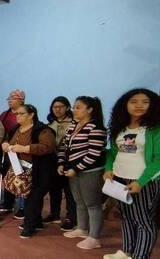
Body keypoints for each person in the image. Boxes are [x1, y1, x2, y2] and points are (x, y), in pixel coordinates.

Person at [103, 89, 160, 259]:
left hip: (144, 181)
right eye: (134, 101)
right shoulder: (120, 128)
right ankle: (127, 252)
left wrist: (141, 181)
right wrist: (108, 169)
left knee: (144, 221)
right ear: (125, 104)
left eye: (145, 102)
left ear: (153, 105)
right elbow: (113, 154)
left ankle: (140, 255)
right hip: (119, 180)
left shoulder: (158, 127)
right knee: (127, 218)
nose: (139, 105)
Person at [57, 96, 107, 249]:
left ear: (90, 110)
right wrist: (61, 163)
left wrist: (76, 168)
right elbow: (64, 147)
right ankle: (82, 229)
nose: (74, 110)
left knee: (92, 203)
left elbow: (94, 153)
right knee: (79, 202)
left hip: (90, 171)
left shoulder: (96, 127)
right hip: (72, 171)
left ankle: (94, 237)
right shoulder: (74, 125)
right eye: (74, 106)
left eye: (78, 107)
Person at [1, 104, 56, 239]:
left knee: (33, 198)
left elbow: (48, 147)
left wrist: (25, 149)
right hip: (20, 169)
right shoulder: (16, 129)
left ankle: (29, 226)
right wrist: (5, 144)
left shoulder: (42, 130)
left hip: (39, 170)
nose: (17, 116)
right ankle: (36, 222)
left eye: (21, 114)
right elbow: (8, 140)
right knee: (29, 197)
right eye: (17, 114)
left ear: (31, 115)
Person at [45, 96, 77, 231]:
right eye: (54, 107)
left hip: (68, 161)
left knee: (69, 190)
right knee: (54, 188)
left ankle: (71, 217)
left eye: (61, 107)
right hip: (53, 160)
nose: (57, 109)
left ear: (67, 107)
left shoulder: (74, 123)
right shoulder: (50, 123)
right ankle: (54, 214)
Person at [0, 89, 26, 219]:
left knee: (21, 178)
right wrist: (3, 142)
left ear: (21, 100)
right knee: (7, 176)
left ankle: (22, 206)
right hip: (7, 150)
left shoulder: (26, 113)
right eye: (8, 99)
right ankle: (8, 202)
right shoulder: (5, 114)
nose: (9, 101)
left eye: (12, 99)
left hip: (21, 151)